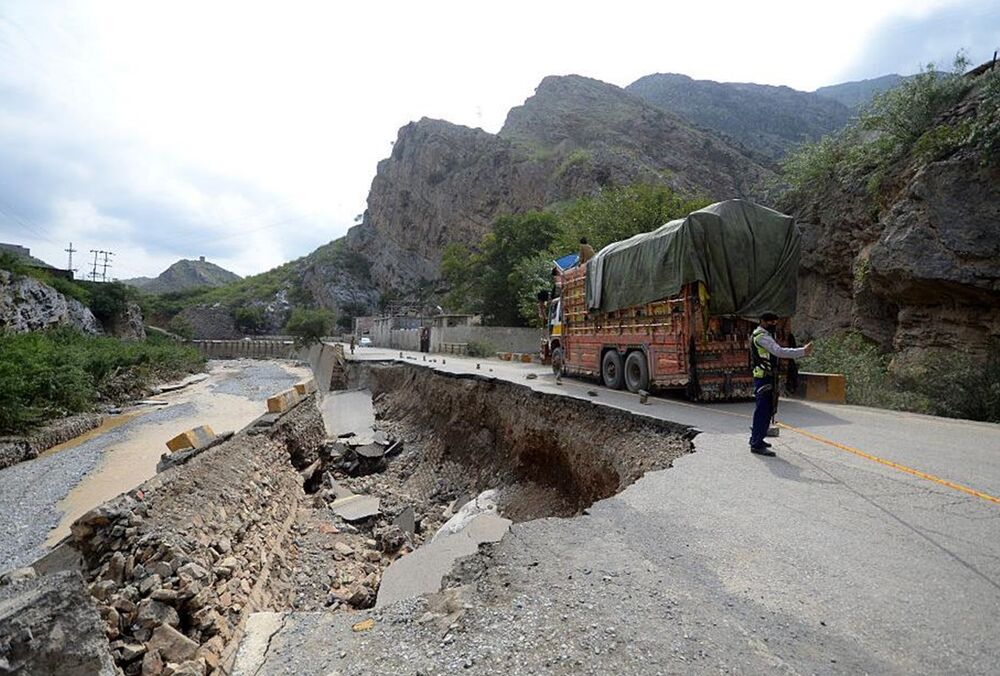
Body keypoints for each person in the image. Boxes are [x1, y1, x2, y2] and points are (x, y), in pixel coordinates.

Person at [749, 312, 812, 456]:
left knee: (768, 409)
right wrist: (803, 351)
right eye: (771, 322)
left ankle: (757, 438)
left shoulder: (760, 334)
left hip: (766, 376)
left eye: (775, 323)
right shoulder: (762, 337)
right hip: (764, 377)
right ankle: (756, 444)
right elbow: (779, 352)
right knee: (763, 411)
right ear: (763, 321)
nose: (773, 325)